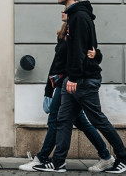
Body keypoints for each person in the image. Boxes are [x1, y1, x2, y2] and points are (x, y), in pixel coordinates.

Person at [34, 0, 126, 174]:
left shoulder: (79, 17)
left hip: (82, 80)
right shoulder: (74, 17)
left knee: (97, 119)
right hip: (75, 79)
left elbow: (80, 51)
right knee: (63, 120)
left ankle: (124, 157)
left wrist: (73, 77)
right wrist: (92, 57)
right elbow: (88, 49)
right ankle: (58, 162)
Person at [19, 11, 114, 172]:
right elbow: (57, 62)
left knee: (54, 120)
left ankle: (42, 158)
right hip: (63, 84)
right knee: (81, 122)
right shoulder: (64, 33)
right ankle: (106, 156)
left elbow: (89, 54)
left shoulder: (77, 30)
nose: (62, 11)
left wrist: (96, 55)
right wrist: (48, 90)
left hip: (69, 84)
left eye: (66, 10)